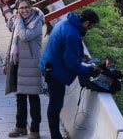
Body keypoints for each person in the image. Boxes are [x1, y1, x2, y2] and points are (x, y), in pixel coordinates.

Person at [40, 9, 100, 139]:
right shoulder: (72, 34)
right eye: (92, 26)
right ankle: (55, 136)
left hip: (50, 66)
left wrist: (80, 57)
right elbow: (71, 65)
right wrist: (90, 70)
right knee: (56, 106)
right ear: (87, 23)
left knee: (54, 104)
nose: (91, 29)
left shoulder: (66, 22)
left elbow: (66, 50)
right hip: (55, 72)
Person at [5, 0, 45, 138]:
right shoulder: (18, 22)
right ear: (18, 9)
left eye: (26, 7)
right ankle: (20, 126)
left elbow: (25, 35)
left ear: (31, 7)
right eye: (21, 8)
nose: (24, 10)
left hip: (32, 66)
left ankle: (35, 130)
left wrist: (18, 20)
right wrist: (6, 63)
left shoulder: (37, 21)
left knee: (33, 99)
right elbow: (12, 43)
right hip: (19, 64)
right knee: (20, 98)